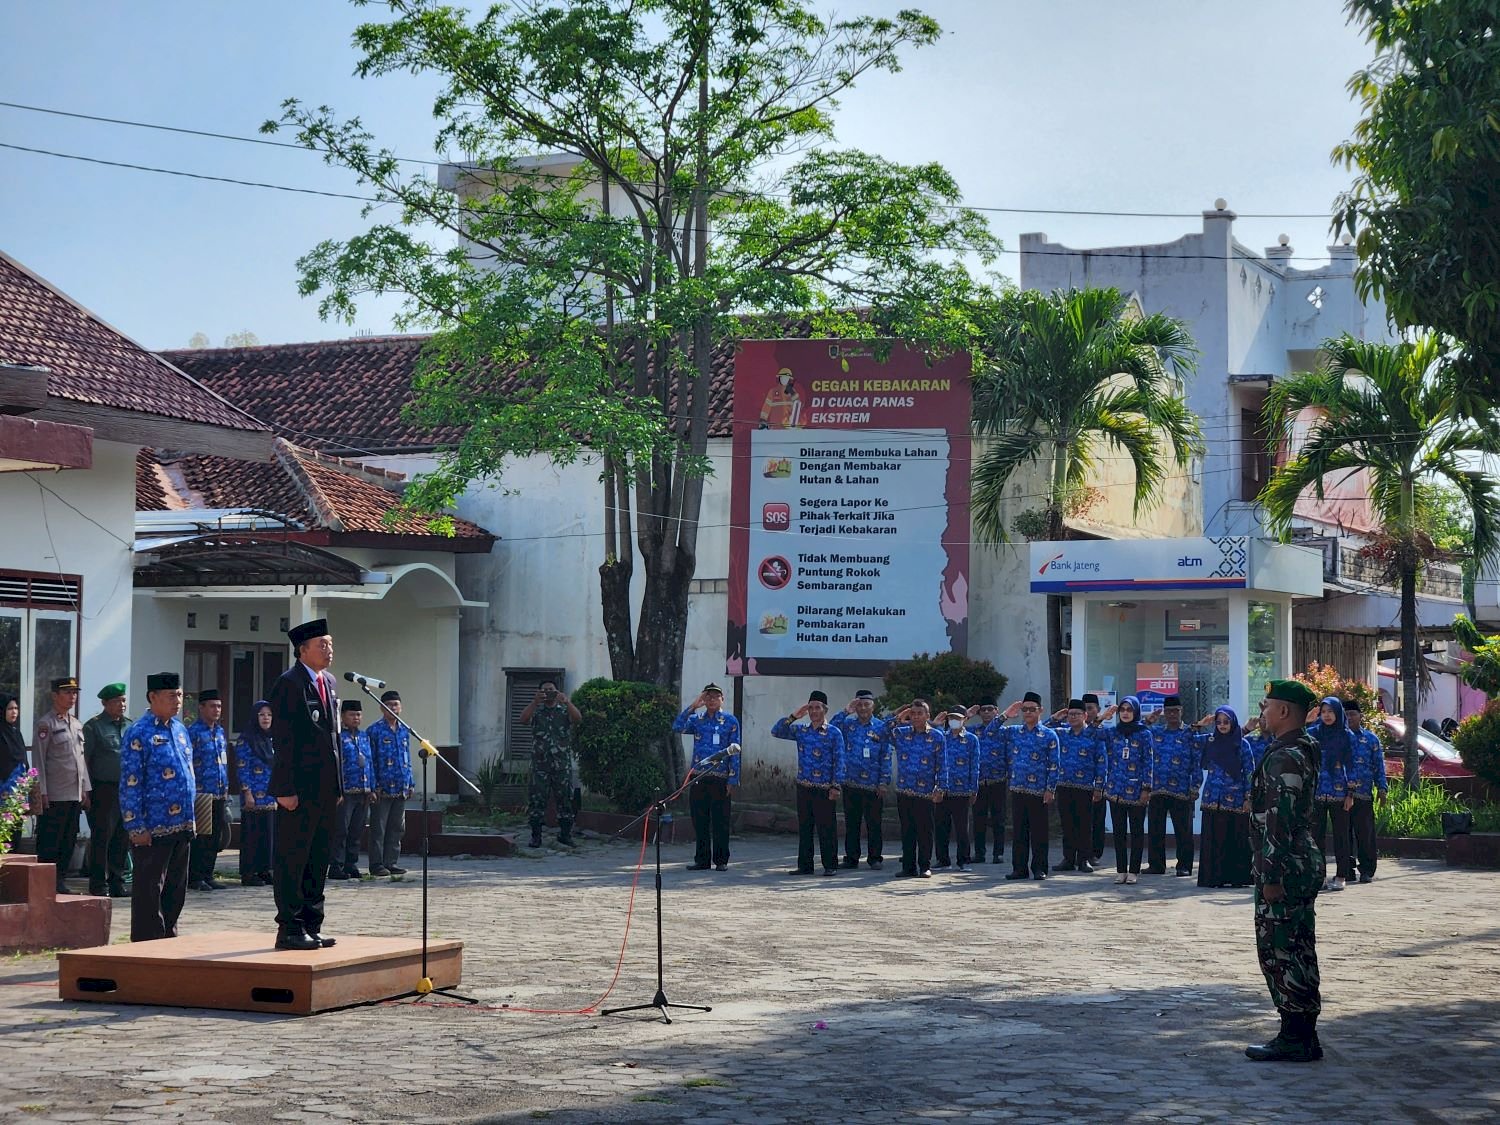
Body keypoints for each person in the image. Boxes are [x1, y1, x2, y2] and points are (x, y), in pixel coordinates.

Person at [1246, 679, 1325, 1063]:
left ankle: (1295, 1035)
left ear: (1282, 712)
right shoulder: (1301, 747)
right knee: (1298, 945)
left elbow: (1278, 819)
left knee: (1280, 949)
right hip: (1299, 859)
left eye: (1266, 706)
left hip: (1285, 864)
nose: (1261, 714)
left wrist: (1271, 875)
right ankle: (1301, 1033)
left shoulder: (1285, 756)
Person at [267, 618, 343, 952]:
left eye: (330, 644)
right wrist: (284, 788)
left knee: (318, 858)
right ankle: (290, 928)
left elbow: (333, 739)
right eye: (322, 645)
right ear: (303, 650)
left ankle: (312, 924)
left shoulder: (329, 682)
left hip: (325, 791)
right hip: (297, 789)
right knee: (293, 858)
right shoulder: (290, 683)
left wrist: (338, 787)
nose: (329, 650)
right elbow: (283, 740)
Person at [119, 672, 196, 941]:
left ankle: (169, 937)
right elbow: (130, 783)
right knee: (149, 888)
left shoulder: (180, 730)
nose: (177, 701)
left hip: (182, 823)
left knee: (176, 887)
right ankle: (146, 942)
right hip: (152, 826)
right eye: (171, 696)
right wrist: (135, 825)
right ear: (153, 697)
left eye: (179, 695)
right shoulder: (139, 733)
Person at [773, 690, 846, 876]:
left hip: (824, 788)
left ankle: (830, 865)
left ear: (825, 710)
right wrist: (794, 716)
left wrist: (836, 785)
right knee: (805, 828)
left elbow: (840, 761)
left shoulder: (834, 733)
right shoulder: (801, 730)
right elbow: (777, 731)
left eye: (817, 708)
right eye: (811, 707)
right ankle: (805, 865)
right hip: (804, 786)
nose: (814, 711)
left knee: (826, 828)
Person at [673, 683, 741, 871]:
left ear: (722, 699)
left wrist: (733, 779)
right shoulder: (697, 719)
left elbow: (735, 750)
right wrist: (693, 706)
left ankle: (721, 860)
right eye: (708, 697)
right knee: (700, 819)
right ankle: (702, 859)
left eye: (715, 697)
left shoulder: (730, 721)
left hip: (720, 777)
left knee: (720, 820)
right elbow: (677, 726)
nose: (711, 700)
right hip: (699, 776)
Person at [33, 676, 90, 894]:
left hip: (74, 793)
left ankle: (61, 879)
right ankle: (46, 882)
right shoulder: (46, 724)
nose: (72, 697)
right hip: (55, 794)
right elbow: (39, 760)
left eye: (74, 693)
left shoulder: (76, 723)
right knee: (51, 841)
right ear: (54, 695)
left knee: (68, 840)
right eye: (67, 692)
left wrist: (85, 788)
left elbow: (81, 759)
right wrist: (42, 792)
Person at [997, 692, 1059, 881]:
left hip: (1039, 791)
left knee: (1039, 832)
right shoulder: (1014, 731)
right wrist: (1005, 715)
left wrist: (1050, 788)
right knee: (1019, 832)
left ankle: (1040, 868)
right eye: (1025, 709)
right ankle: (1019, 868)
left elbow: (1054, 765)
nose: (1029, 712)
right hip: (1018, 789)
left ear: (1041, 710)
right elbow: (989, 733)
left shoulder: (1049, 735)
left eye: (1033, 709)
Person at [882, 700, 946, 879]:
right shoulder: (901, 734)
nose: (916, 717)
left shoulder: (936, 736)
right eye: (914, 713)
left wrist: (941, 788)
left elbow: (942, 764)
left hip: (925, 792)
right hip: (905, 790)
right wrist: (898, 717)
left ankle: (924, 866)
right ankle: (908, 867)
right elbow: (881, 732)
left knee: (925, 831)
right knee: (907, 830)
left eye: (920, 713)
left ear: (928, 716)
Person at [1194, 707, 1256, 888]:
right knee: (1213, 839)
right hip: (1212, 798)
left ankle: (1236, 878)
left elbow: (1250, 773)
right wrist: (1199, 725)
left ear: (1233, 723)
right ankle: (1214, 878)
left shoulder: (1242, 744)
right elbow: (1185, 742)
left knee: (1234, 839)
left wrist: (1248, 797)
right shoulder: (1209, 741)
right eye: (1218, 722)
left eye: (1226, 722)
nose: (1222, 725)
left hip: (1235, 799)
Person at [81, 683, 131, 897]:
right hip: (103, 789)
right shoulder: (94, 727)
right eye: (117, 701)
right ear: (105, 703)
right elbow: (85, 760)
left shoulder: (130, 725)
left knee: (122, 837)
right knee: (103, 837)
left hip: (127, 790)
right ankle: (98, 884)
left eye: (123, 700)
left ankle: (117, 882)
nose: (122, 705)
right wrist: (86, 791)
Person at [519, 681, 581, 849]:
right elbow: (523, 720)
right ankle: (536, 836)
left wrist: (567, 702)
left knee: (565, 800)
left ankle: (565, 834)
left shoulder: (563, 710)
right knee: (537, 800)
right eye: (545, 690)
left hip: (561, 764)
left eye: (551, 690)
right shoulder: (537, 711)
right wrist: (534, 702)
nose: (548, 693)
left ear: (557, 692)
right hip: (540, 764)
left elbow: (578, 719)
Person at [834, 689, 889, 870]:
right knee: (852, 823)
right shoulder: (848, 725)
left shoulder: (881, 727)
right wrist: (845, 711)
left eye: (867, 704)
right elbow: (831, 729)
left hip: (873, 786)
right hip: (851, 783)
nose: (863, 708)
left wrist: (883, 782)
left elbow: (886, 756)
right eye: (860, 705)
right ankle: (851, 858)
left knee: (874, 823)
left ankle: (875, 858)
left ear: (873, 706)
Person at [1145, 695, 1200, 877]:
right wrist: (1147, 721)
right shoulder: (1156, 732)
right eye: (1168, 711)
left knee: (1183, 830)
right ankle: (1156, 865)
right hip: (1157, 787)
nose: (1172, 714)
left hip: (1181, 789)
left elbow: (1196, 762)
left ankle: (1184, 865)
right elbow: (1137, 735)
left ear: (1181, 711)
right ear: (1163, 713)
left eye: (1175, 711)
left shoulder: (1190, 733)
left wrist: (1195, 786)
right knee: (1155, 829)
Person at [1101, 696, 1154, 885]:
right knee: (1119, 832)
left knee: (1137, 831)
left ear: (1136, 712)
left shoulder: (1144, 733)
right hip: (1115, 789)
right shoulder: (1112, 733)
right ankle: (1121, 870)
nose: (1125, 713)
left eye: (1129, 710)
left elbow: (1148, 762)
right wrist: (1101, 718)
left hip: (1137, 789)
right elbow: (1090, 734)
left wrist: (1146, 788)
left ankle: (1134, 870)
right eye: (1122, 709)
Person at [1309, 697, 1355, 892]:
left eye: (1331, 711)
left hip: (1339, 792)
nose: (1327, 715)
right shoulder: (1313, 733)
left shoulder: (1347, 736)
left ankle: (1341, 875)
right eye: (1324, 711)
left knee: (1341, 836)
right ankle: (1318, 876)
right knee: (1315, 837)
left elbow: (1352, 766)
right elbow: (1292, 738)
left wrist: (1350, 793)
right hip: (1317, 792)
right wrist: (1306, 721)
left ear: (1338, 713)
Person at [1054, 699, 1106, 873]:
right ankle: (1068, 859)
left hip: (1086, 787)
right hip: (1064, 785)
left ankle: (1084, 859)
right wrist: (1055, 718)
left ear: (1085, 716)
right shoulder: (1061, 733)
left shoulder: (1094, 735)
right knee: (1067, 824)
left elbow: (1101, 762)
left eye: (1077, 714)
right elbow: (1042, 730)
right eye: (1070, 714)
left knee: (1084, 825)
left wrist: (1099, 786)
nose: (1073, 717)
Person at [368, 690, 414, 876]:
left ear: (401, 707)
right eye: (388, 705)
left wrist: (410, 782)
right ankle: (377, 864)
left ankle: (391, 862)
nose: (392, 708)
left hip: (401, 786)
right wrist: (373, 785)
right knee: (379, 828)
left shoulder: (404, 730)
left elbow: (407, 758)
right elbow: (371, 760)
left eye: (395, 705)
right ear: (381, 708)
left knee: (397, 827)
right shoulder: (374, 730)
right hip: (382, 788)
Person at [187, 689, 229, 893]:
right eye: (212, 706)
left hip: (219, 791)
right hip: (202, 792)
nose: (217, 710)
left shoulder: (219, 732)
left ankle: (208, 874)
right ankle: (195, 877)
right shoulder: (193, 732)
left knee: (215, 836)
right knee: (201, 837)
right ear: (201, 707)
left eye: (219, 706)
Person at [330, 699, 375, 880]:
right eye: (351, 714)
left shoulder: (364, 737)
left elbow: (370, 763)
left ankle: (351, 864)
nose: (356, 718)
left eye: (358, 714)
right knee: (341, 830)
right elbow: (333, 765)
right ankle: (335, 865)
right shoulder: (338, 738)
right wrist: (336, 790)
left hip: (362, 791)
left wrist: (371, 788)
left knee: (356, 830)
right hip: (345, 791)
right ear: (342, 717)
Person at [234, 701, 277, 887]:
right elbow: (242, 767)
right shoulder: (246, 739)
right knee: (252, 835)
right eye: (261, 715)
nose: (266, 718)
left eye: (269, 714)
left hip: (270, 796)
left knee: (268, 835)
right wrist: (247, 792)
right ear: (255, 717)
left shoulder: (273, 739)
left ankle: (264, 870)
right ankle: (249, 873)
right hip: (253, 795)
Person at [1344, 700, 1387, 884]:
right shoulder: (1338, 738)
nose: (1349, 718)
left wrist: (1382, 788)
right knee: (1344, 835)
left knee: (1365, 834)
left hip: (1363, 794)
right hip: (1342, 796)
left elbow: (1379, 766)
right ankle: (1346, 869)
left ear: (1360, 716)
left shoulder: (1371, 740)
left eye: (1352, 714)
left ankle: (1367, 870)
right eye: (1345, 715)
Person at [934, 706, 979, 871]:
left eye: (958, 718)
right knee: (940, 826)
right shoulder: (941, 737)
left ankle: (964, 860)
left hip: (962, 790)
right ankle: (943, 860)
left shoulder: (971, 739)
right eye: (951, 718)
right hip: (942, 789)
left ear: (965, 719)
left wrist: (974, 789)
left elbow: (974, 766)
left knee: (962, 828)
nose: (954, 721)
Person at [969, 699, 1007, 865]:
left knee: (999, 819)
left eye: (989, 709)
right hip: (978, 782)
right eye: (983, 710)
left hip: (997, 780)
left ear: (996, 711)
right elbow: (952, 730)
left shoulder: (1005, 732)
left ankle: (998, 853)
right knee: (978, 819)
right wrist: (966, 716)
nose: (986, 712)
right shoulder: (973, 731)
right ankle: (979, 853)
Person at [0, 694, 26, 794]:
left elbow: (23, 759)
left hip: (19, 787)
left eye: (16, 708)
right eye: (10, 708)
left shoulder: (16, 732)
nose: (14, 712)